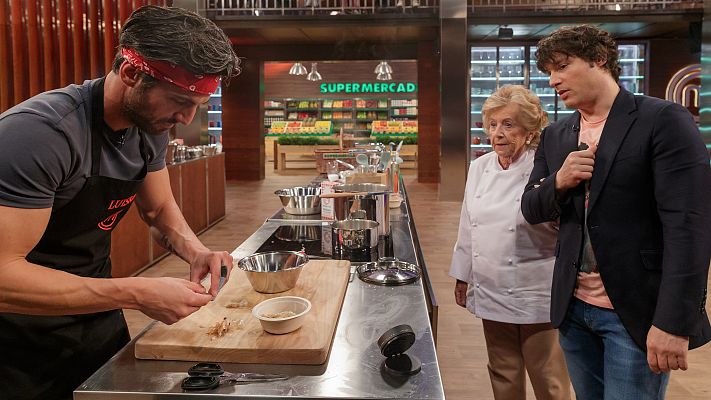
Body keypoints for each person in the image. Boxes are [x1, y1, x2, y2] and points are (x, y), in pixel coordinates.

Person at [0, 6, 240, 399]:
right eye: (180, 100)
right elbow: (3, 278)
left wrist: (197, 252)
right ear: (131, 73)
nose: (187, 117)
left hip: (96, 320)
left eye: (198, 103)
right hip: (18, 341)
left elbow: (158, 210)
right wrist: (135, 292)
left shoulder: (149, 126)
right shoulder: (40, 136)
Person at [521, 25, 711, 400]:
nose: (554, 80)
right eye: (548, 72)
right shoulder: (558, 134)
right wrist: (559, 181)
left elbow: (689, 225)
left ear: (599, 58)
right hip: (573, 310)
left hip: (635, 312)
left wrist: (674, 321)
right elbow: (531, 206)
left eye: (562, 66)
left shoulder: (662, 120)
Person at [450, 85, 571, 400]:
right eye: (492, 124)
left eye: (508, 124)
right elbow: (468, 223)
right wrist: (463, 274)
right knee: (503, 372)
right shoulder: (479, 167)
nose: (498, 133)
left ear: (530, 130)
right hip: (490, 284)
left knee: (548, 376)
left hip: (535, 289)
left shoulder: (544, 169)